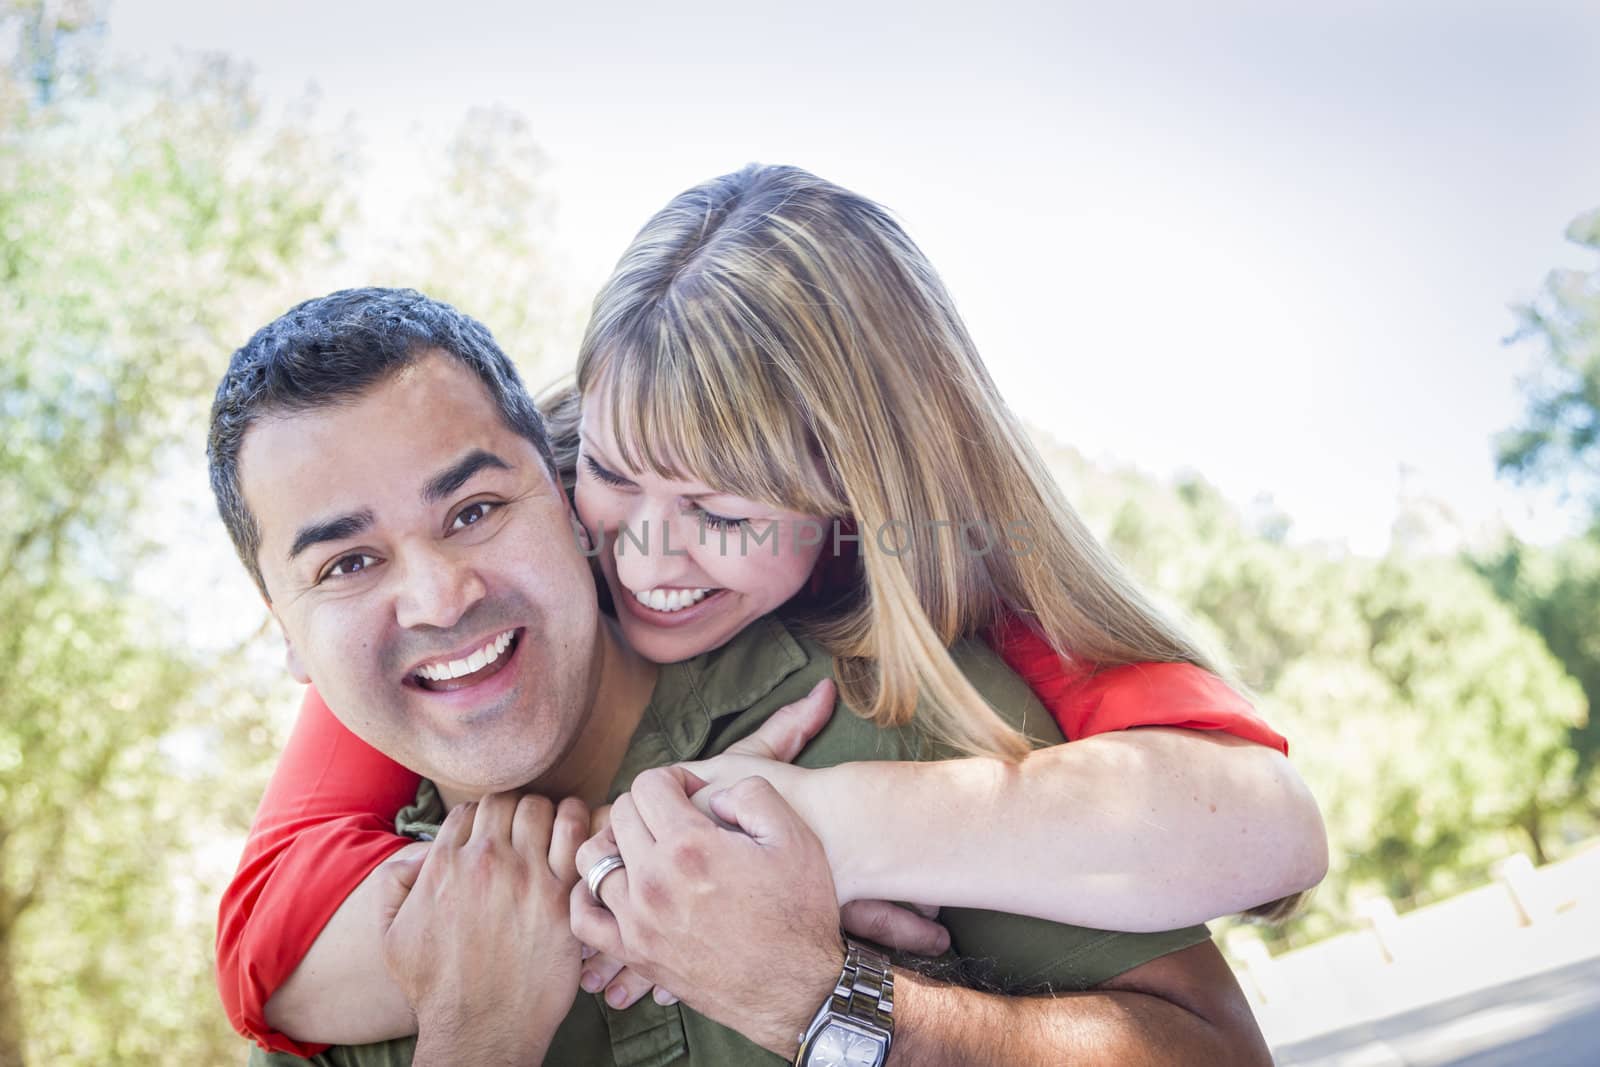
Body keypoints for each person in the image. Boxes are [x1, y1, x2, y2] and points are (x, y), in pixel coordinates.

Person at [218, 167, 1326, 1057]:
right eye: (612, 473)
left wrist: (816, 847)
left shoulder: (922, 639)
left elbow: (1266, 829)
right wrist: (571, 921)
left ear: (851, 505)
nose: (647, 547)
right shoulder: (469, 584)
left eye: (719, 507)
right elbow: (264, 933)